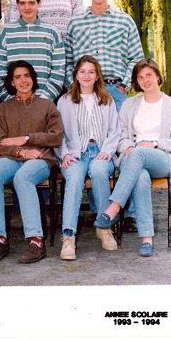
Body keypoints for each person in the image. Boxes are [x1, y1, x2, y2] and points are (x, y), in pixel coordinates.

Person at [93, 59, 171, 257]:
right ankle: (146, 239)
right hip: (132, 159)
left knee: (139, 153)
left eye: (149, 75)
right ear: (136, 81)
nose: (145, 80)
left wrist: (154, 144)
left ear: (158, 77)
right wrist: (128, 147)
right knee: (141, 176)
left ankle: (114, 207)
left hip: (161, 158)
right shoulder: (129, 104)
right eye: (140, 77)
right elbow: (121, 136)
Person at [0, 61, 63, 264]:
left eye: (27, 75)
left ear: (33, 79)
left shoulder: (47, 105)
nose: (23, 81)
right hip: (11, 158)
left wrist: (27, 138)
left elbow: (56, 137)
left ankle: (36, 241)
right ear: (12, 82)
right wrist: (22, 151)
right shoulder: (4, 108)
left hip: (41, 159)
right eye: (17, 77)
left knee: (23, 177)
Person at [55, 55, 119, 260]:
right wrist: (64, 153)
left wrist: (107, 151)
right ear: (76, 75)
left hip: (100, 151)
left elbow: (115, 131)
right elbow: (58, 132)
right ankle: (68, 236)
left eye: (91, 72)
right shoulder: (65, 101)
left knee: (100, 171)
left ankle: (104, 227)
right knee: (74, 179)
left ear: (97, 75)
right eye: (82, 71)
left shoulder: (106, 99)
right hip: (75, 153)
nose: (87, 76)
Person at [64, 0, 144, 112]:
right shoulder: (76, 23)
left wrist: (124, 86)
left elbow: (137, 59)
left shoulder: (124, 21)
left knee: (118, 128)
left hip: (115, 91)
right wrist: (72, 85)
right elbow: (67, 61)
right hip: (83, 90)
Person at [0, 0, 66, 103]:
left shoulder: (52, 32)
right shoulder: (6, 32)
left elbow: (58, 71)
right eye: (22, 3)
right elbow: (0, 71)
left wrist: (42, 101)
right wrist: (12, 101)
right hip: (14, 104)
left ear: (39, 3)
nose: (27, 7)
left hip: (44, 103)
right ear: (17, 4)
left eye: (31, 3)